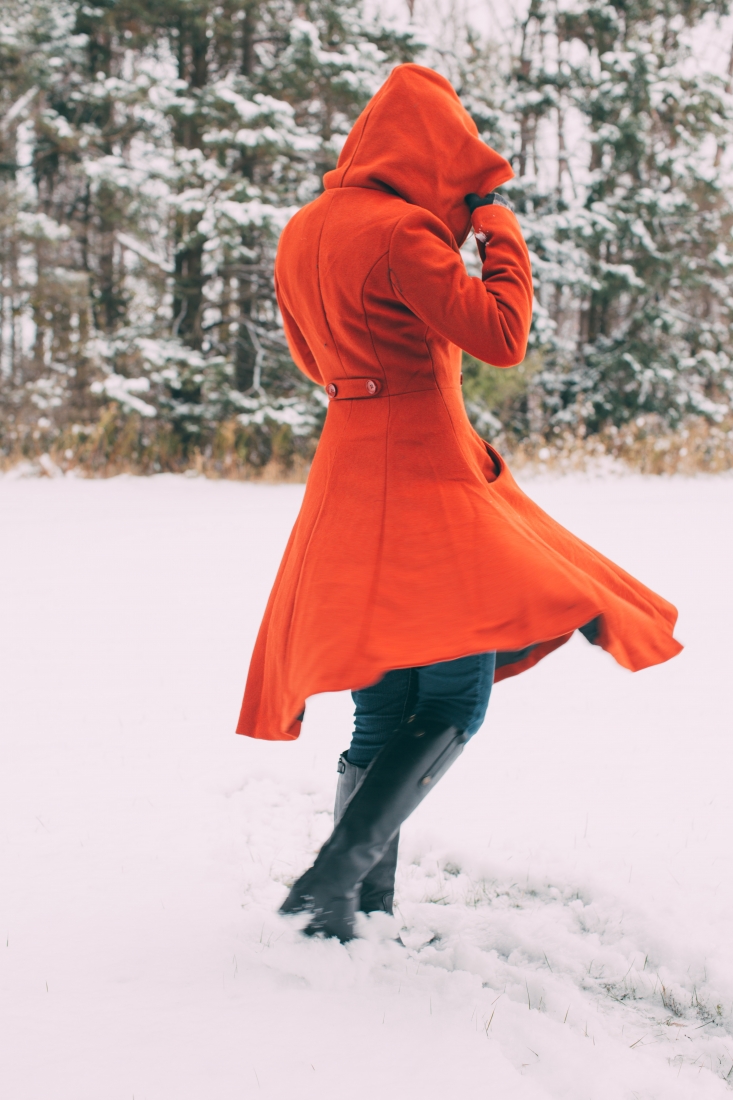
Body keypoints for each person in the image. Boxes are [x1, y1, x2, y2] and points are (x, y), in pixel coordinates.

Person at [236, 64, 682, 941]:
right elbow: (501, 336)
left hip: (345, 473)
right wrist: (498, 231)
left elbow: (306, 357)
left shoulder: (302, 231)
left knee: (380, 699)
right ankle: (336, 876)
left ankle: (351, 911)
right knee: (454, 699)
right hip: (427, 474)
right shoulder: (405, 232)